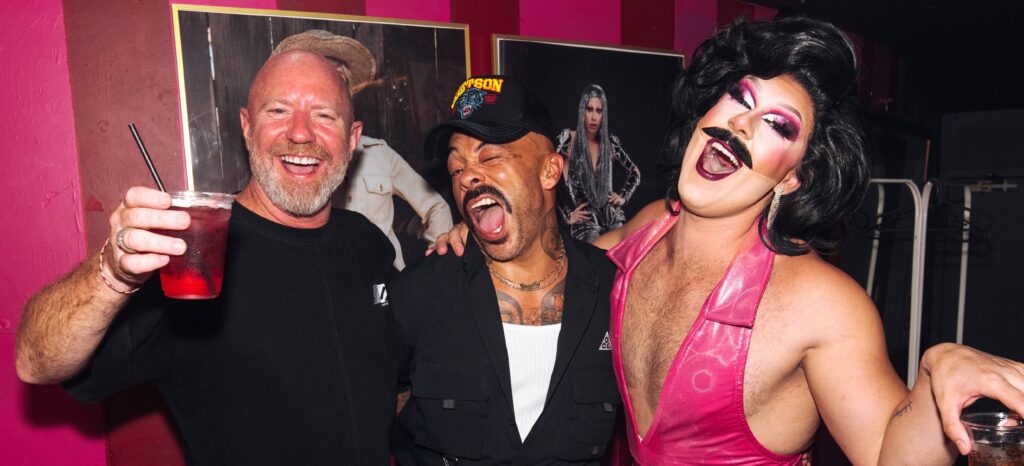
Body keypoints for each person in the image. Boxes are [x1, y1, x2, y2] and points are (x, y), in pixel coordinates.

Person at [429, 17, 1024, 465]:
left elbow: (889, 454)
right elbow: (558, 263)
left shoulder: (821, 304)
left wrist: (938, 376)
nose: (740, 122)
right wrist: (485, 230)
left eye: (777, 125)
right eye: (740, 98)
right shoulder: (646, 231)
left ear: (793, 176)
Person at [16, 50, 397, 464]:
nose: (301, 133)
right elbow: (35, 362)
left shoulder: (368, 242)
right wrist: (111, 272)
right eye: (279, 111)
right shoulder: (192, 250)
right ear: (247, 127)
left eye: (324, 115)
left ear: (353, 137)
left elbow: (397, 376)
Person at [392, 75, 621, 464]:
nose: (467, 177)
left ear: (550, 171)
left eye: (490, 158)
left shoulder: (614, 292)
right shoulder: (421, 292)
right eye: (456, 168)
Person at [274, 30, 453, 270]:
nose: (330, 89)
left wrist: (437, 266)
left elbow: (435, 206)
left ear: (349, 95)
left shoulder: (378, 154)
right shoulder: (291, 158)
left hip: (388, 282)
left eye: (339, 80)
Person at [556, 84, 641, 243]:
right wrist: (568, 215)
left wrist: (623, 197)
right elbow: (551, 179)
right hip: (585, 221)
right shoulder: (569, 140)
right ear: (582, 111)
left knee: (623, 254)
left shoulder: (610, 143)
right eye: (589, 109)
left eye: (599, 111)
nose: (594, 117)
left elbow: (634, 172)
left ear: (604, 114)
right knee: (593, 255)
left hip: (612, 216)